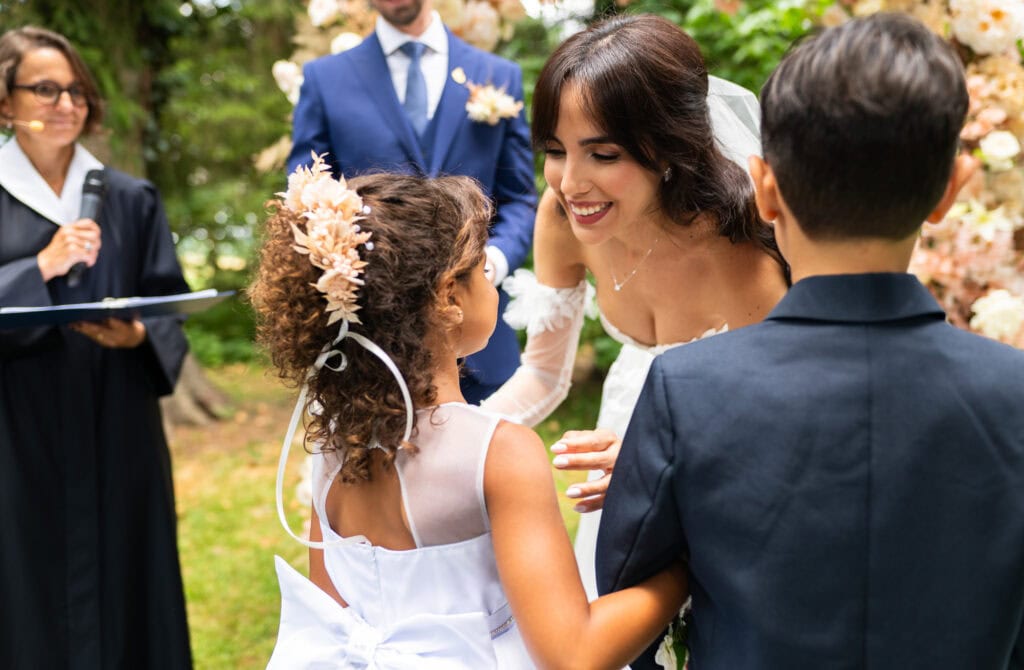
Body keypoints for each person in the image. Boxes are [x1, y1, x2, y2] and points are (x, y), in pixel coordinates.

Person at [597, 13, 1024, 669]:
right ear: (947, 192)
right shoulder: (1013, 395)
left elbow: (631, 601)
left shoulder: (688, 390)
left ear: (765, 189)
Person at [251, 162, 687, 668]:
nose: (492, 284)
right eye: (482, 268)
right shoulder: (499, 454)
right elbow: (574, 655)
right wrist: (682, 563)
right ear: (449, 296)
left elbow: (334, 620)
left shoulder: (333, 444)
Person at [481, 13, 788, 599]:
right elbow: (543, 375)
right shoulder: (561, 218)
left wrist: (662, 463)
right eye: (555, 150)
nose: (570, 183)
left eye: (603, 154)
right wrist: (454, 436)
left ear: (668, 147)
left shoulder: (742, 241)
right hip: (619, 450)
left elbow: (789, 414)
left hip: (731, 476)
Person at [0, 26, 192, 669]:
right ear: (5, 102)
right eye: (45, 89)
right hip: (17, 428)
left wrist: (138, 334)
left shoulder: (130, 198)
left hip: (118, 421)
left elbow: (167, 304)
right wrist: (40, 268)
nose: (67, 105)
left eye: (77, 91)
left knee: (129, 574)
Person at [287, 0, 536, 405]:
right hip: (372, 345)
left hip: (482, 343)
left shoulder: (497, 74)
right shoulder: (324, 79)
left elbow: (520, 199)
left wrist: (487, 265)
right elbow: (308, 199)